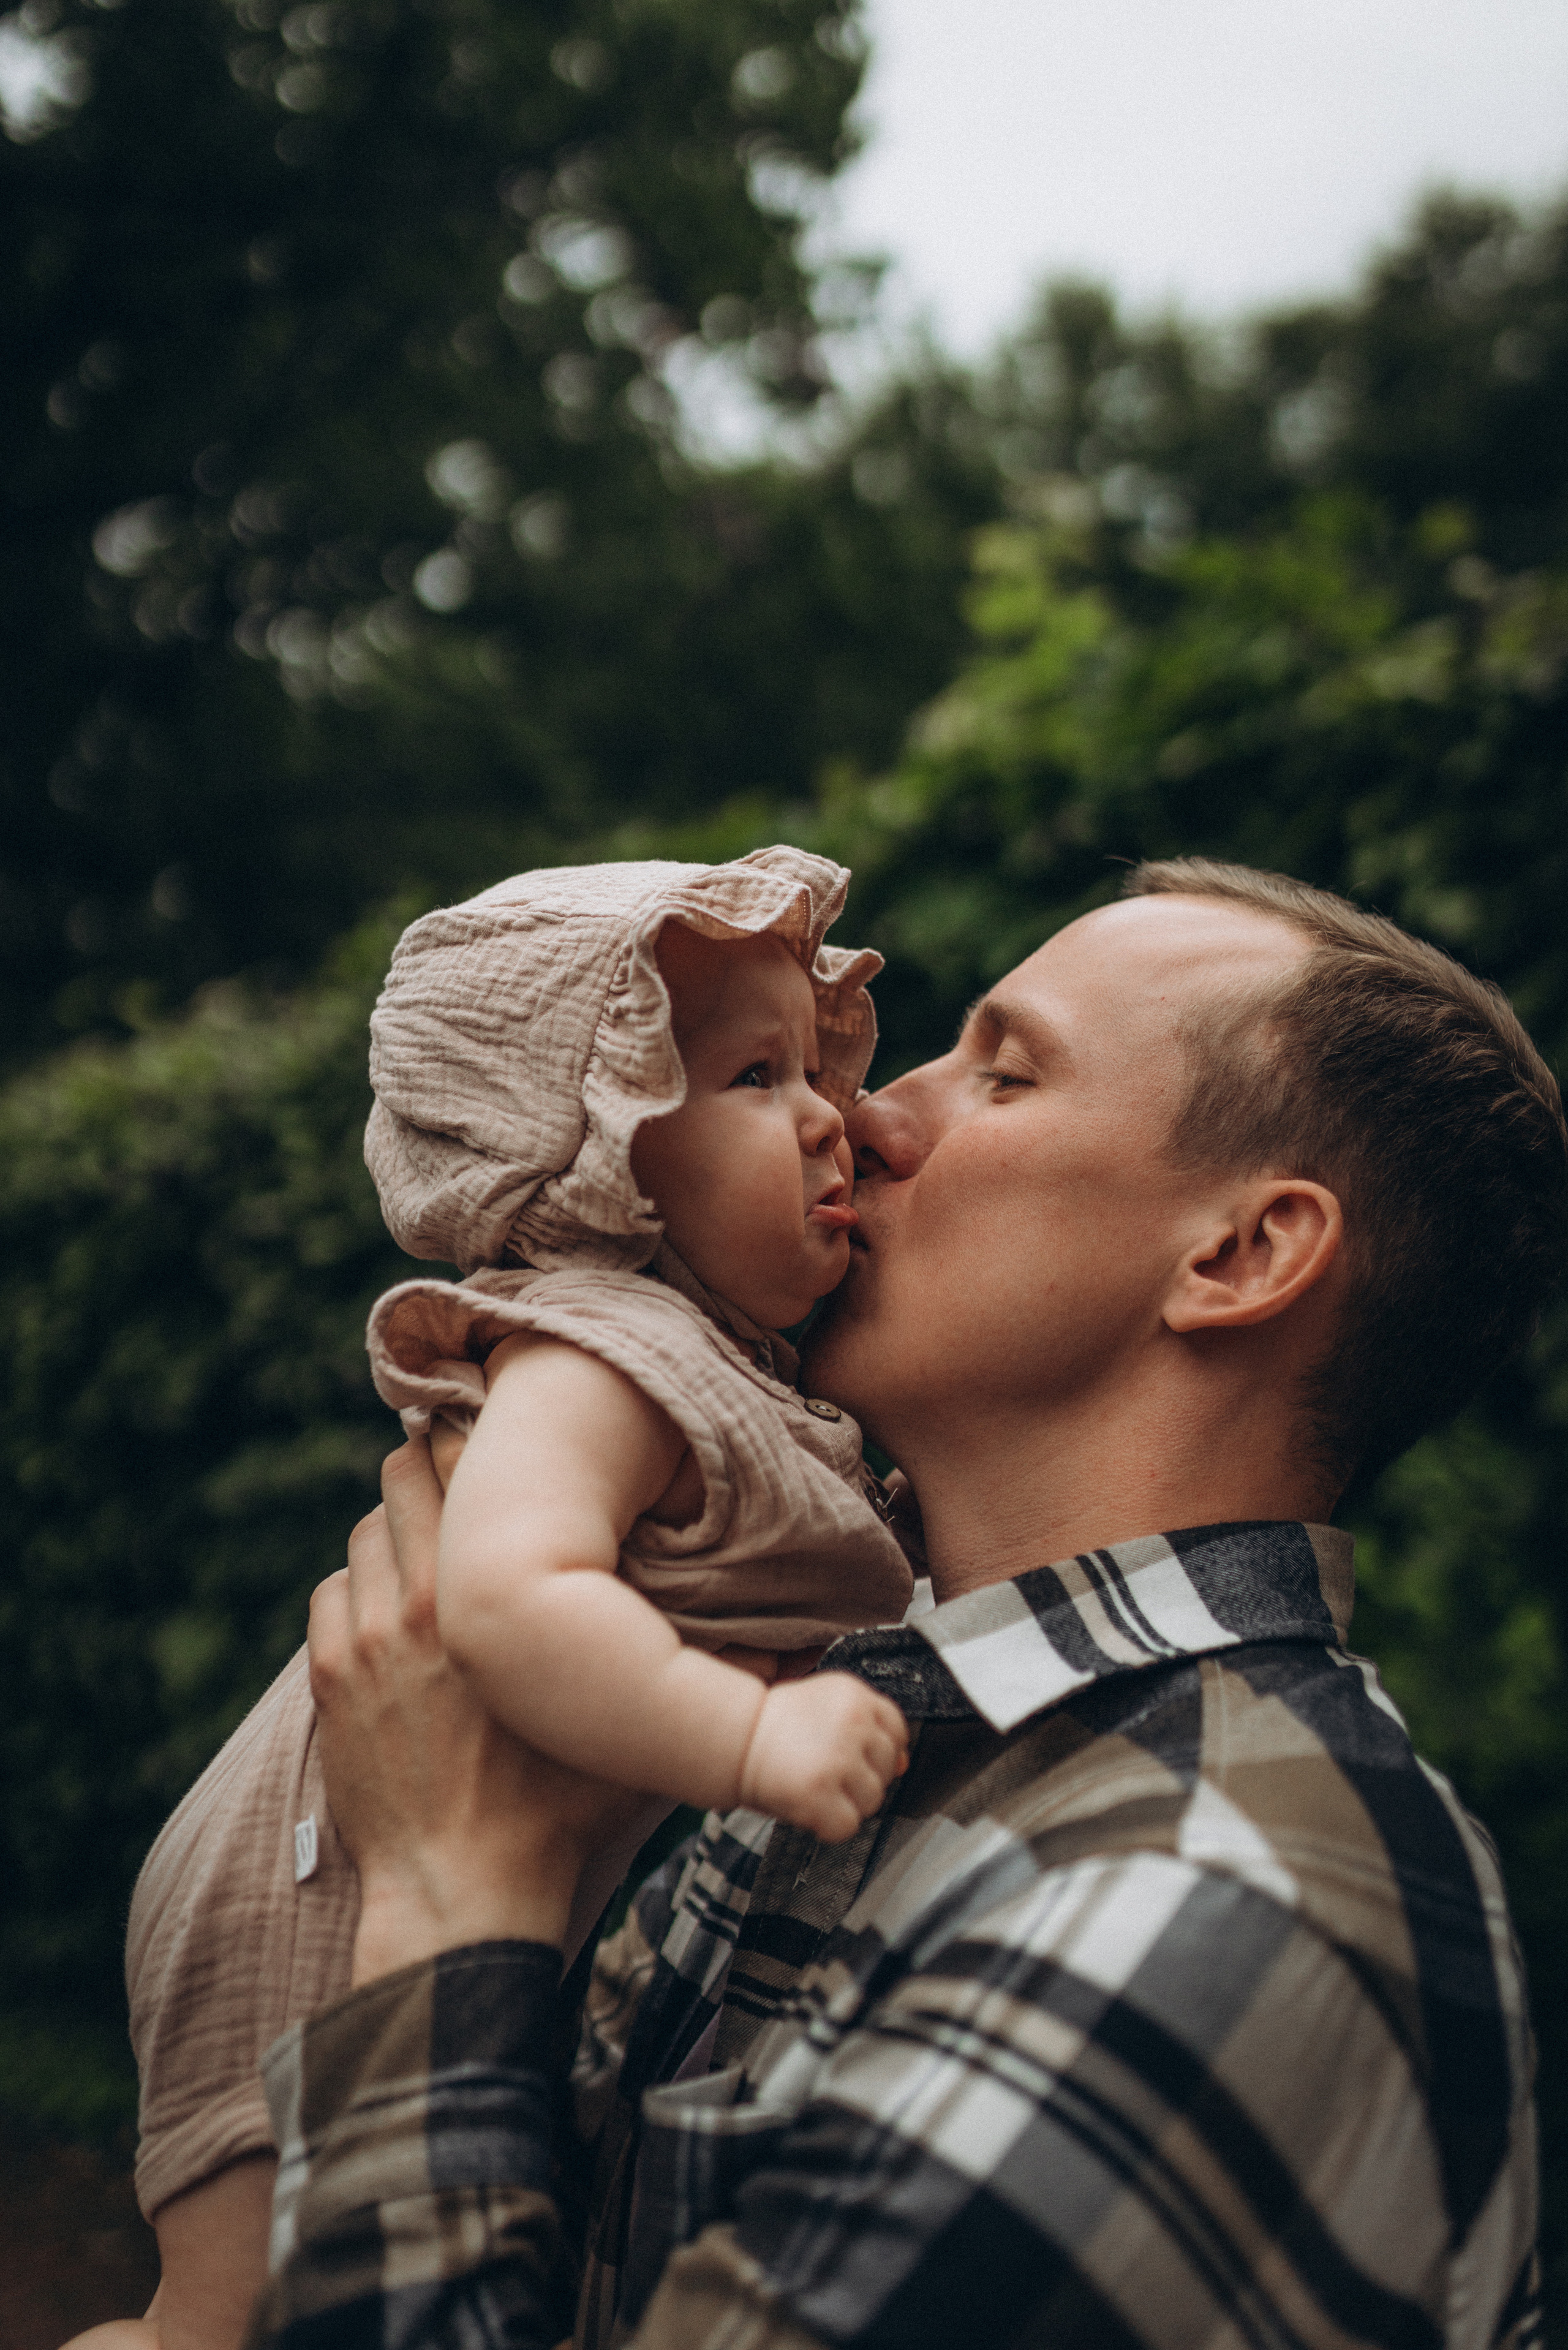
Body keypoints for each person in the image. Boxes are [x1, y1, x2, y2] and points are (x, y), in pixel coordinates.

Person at [179, 863, 1568, 2345]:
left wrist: (454, 1895)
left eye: (1004, 1074)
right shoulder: (848, 1719)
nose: (870, 1116)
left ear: (1238, 1255)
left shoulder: (1200, 1895)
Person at [113, 848, 914, 2350]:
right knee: (220, 2324)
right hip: (315, 1874)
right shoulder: (598, 1352)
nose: (828, 1118)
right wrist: (748, 1745)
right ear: (592, 1154)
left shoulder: (729, 1373)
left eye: (812, 1069)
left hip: (410, 1850)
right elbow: (505, 1594)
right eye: (751, 1078)